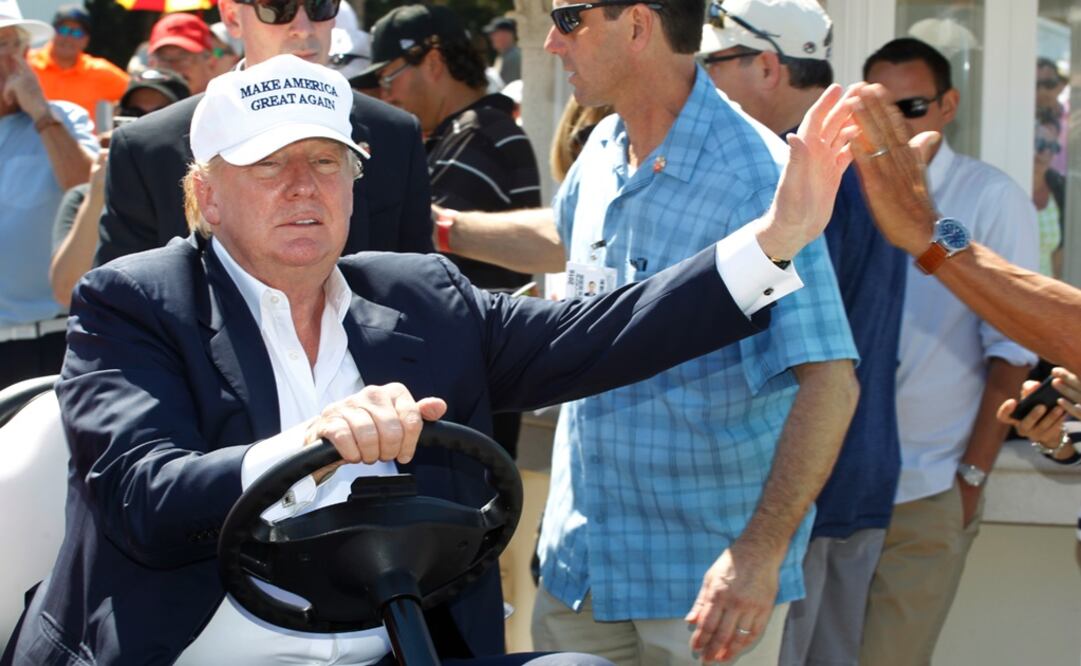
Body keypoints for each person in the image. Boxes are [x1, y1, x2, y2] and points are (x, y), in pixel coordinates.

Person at [2, 51, 855, 666]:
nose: (304, 186)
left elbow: (603, 334)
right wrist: (315, 442)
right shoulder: (136, 302)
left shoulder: (420, 298)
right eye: (270, 166)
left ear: (352, 186)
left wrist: (775, 240)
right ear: (208, 194)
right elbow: (143, 496)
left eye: (327, 163)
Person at [483, 3, 854, 666]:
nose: (548, 43)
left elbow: (829, 381)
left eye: (568, 19)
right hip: (580, 575)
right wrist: (439, 230)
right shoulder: (599, 149)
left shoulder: (756, 177)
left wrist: (758, 553)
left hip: (704, 593)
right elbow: (562, 245)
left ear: (636, 25)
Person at [696, 2, 906, 663]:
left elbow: (812, 360)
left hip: (801, 499)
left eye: (712, 63)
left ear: (766, 65)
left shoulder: (812, 171)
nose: (700, 82)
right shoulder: (861, 156)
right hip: (843, 485)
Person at [858, 38, 1039, 666]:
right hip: (836, 492)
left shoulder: (991, 198)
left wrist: (968, 480)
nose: (895, 124)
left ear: (948, 104)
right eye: (876, 110)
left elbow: (1013, 353)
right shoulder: (839, 197)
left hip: (927, 491)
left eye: (910, 106)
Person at [97, 0, 434, 266]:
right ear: (231, 17)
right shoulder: (149, 147)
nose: (303, 28)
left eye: (320, 5)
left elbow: (417, 289)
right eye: (277, 7)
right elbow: (124, 307)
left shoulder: (395, 134)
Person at [364, 4, 542, 458]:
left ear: (435, 61)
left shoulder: (478, 134)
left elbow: (412, 257)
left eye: (390, 76)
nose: (386, 93)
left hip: (471, 385)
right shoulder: (468, 132)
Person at [849, 82, 1081, 373]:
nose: (902, 117)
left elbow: (1059, 337)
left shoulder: (997, 191)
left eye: (912, 106)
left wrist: (924, 232)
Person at [0, 0, 96, 390]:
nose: (11, 59)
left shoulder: (62, 118)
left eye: (10, 46)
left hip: (53, 340)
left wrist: (40, 112)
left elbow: (86, 188)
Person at [50, 68, 191, 308]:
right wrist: (98, 193)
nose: (141, 124)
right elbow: (68, 292)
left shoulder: (205, 194)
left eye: (159, 114)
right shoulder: (83, 196)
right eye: (132, 114)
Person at [27, 4, 128, 125]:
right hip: (28, 141)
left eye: (77, 33)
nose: (68, 38)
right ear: (52, 33)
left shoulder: (97, 70)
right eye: (63, 30)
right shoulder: (26, 64)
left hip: (79, 142)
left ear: (86, 40)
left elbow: (134, 93)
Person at [146, 12, 215, 96]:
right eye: (163, 58)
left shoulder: (228, 105)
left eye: (184, 58)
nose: (173, 67)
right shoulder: (137, 106)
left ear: (210, 63)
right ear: (151, 64)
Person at [1032, 116, 1065, 277]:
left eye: (1053, 146)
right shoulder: (1008, 188)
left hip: (1044, 294)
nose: (1045, 152)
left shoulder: (1059, 189)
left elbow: (1058, 257)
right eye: (1040, 143)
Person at [484, 17, 521, 84]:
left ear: (505, 35)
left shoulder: (513, 57)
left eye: (494, 33)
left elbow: (506, 89)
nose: (491, 37)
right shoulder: (505, 56)